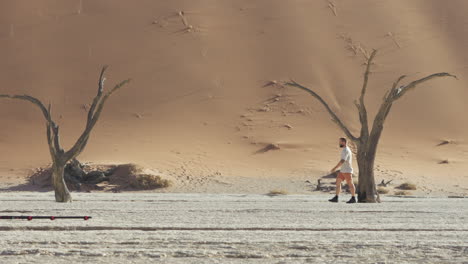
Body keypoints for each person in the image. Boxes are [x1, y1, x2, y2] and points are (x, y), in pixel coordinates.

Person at [328, 138, 356, 203]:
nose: (339, 143)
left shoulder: (345, 150)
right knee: (338, 182)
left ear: (343, 142)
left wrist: (335, 168)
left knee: (350, 184)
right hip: (343, 170)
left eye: (340, 142)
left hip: (347, 170)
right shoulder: (345, 149)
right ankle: (336, 197)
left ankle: (353, 198)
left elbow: (342, 160)